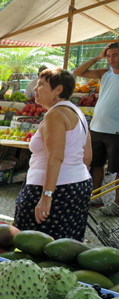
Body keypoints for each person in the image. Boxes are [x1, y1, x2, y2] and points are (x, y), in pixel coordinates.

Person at [14, 68, 92, 240]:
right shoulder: (78, 112)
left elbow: (56, 157)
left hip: (53, 189)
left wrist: (47, 196)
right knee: (65, 247)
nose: (35, 88)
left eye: (41, 84)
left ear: (58, 90)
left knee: (33, 245)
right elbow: (87, 157)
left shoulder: (55, 115)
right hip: (78, 184)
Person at [73, 42, 119, 215]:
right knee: (96, 165)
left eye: (115, 55)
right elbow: (78, 72)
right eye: (109, 55)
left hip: (117, 131)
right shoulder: (105, 73)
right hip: (97, 128)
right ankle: (95, 196)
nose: (111, 59)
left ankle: (117, 205)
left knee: (117, 170)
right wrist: (98, 57)